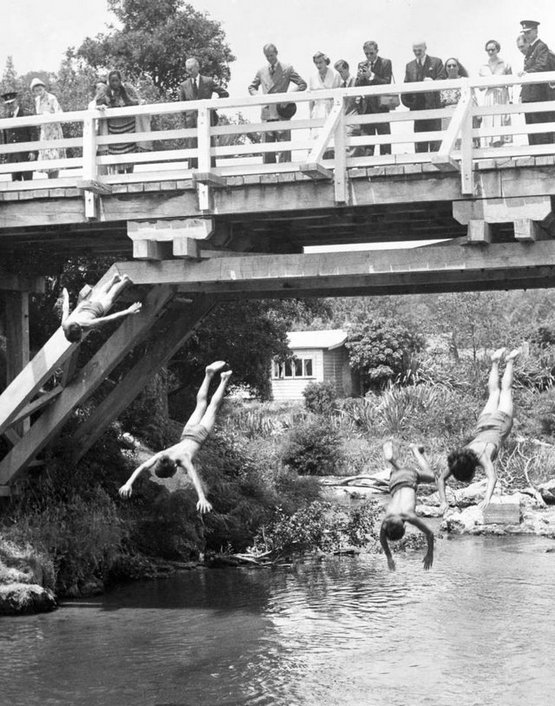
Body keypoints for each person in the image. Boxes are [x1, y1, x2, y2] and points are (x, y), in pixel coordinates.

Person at [119, 361, 232, 513]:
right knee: (200, 404)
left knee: (212, 407)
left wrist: (202, 498)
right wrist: (128, 483)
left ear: (172, 468)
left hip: (199, 435)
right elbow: (143, 466)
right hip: (187, 431)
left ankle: (224, 378)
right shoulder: (162, 455)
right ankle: (208, 375)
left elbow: (194, 478)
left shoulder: (183, 460)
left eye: (172, 474)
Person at [438, 347, 520, 514]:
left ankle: (510, 360)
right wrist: (443, 502)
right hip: (483, 423)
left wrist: (487, 499)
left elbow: (492, 478)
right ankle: (495, 361)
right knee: (493, 393)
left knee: (504, 391)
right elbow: (440, 478)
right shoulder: (459, 457)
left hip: (499, 424)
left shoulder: (482, 456)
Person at [379, 441, 435, 572]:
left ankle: (415, 450)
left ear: (404, 527)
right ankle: (391, 460)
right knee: (401, 474)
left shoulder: (409, 516)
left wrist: (430, 553)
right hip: (393, 481)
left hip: (409, 478)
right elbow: (382, 538)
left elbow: (430, 534)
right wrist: (389, 557)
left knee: (431, 476)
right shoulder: (387, 520)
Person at [248, 43, 307, 164]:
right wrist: (259, 98)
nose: (270, 58)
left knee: (283, 148)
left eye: (271, 55)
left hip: (281, 111)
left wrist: (288, 97)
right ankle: (268, 176)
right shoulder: (261, 71)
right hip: (267, 112)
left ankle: (286, 175)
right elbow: (251, 87)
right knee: (267, 149)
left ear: (276, 53)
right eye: (267, 56)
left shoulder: (287, 68)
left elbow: (302, 84)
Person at [178, 57, 229, 169]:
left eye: (191, 68)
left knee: (208, 146)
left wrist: (213, 106)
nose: (189, 71)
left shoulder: (208, 81)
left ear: (198, 67)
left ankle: (212, 172)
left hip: (207, 120)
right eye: (187, 69)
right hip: (191, 122)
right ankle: (192, 175)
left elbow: (224, 94)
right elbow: (182, 107)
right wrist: (184, 123)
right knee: (192, 150)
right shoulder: (184, 85)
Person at [61, 273, 142, 343]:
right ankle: (114, 279)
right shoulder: (65, 324)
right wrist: (66, 296)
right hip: (86, 305)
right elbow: (65, 308)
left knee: (111, 296)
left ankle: (125, 280)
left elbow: (108, 318)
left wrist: (128, 311)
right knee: (101, 293)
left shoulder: (87, 323)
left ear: (81, 330)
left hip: (98, 309)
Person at [401, 41, 444, 153]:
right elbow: (405, 86)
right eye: (415, 50)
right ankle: (421, 164)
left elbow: (442, 78)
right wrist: (409, 104)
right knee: (420, 142)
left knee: (435, 140)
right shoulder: (409, 66)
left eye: (419, 50)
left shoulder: (436, 62)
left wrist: (433, 82)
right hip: (417, 109)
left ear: (425, 48)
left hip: (433, 107)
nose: (417, 52)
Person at [519, 20, 554, 145]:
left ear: (536, 31)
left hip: (538, 94)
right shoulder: (530, 49)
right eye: (525, 33)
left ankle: (543, 155)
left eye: (528, 32)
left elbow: (542, 65)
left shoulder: (541, 46)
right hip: (530, 95)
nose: (526, 35)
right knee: (532, 128)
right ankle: (535, 155)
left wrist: (528, 73)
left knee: (541, 127)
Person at [355, 41, 394, 156]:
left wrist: (371, 76)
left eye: (371, 53)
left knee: (384, 139)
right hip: (367, 107)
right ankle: (368, 167)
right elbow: (357, 86)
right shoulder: (362, 65)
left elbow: (386, 82)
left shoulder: (386, 63)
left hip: (381, 105)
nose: (369, 56)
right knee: (367, 141)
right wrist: (361, 78)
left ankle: (386, 166)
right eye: (366, 54)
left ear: (377, 51)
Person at [104, 70, 141, 174]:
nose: (114, 83)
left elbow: (136, 100)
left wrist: (136, 102)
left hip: (128, 126)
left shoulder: (127, 90)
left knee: (129, 154)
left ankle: (130, 177)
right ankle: (121, 179)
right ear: (109, 81)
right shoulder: (106, 92)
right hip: (114, 129)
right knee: (117, 155)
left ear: (120, 80)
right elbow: (97, 103)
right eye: (112, 81)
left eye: (116, 80)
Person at [478, 40, 513, 148]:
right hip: (489, 96)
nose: (490, 52)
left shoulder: (505, 64)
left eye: (493, 49)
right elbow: (480, 87)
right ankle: (491, 149)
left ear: (497, 49)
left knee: (503, 120)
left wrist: (511, 99)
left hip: (502, 94)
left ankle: (504, 150)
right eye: (488, 50)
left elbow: (511, 83)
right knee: (489, 121)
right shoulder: (483, 67)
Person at [30, 77, 66, 179]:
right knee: (46, 156)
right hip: (45, 131)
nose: (39, 92)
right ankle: (50, 181)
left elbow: (60, 113)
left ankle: (54, 180)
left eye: (40, 89)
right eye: (36, 90)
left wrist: (49, 115)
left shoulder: (51, 98)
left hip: (54, 130)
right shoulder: (37, 100)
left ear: (43, 88)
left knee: (54, 155)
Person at [1, 90, 37, 181]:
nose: (10, 105)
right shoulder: (6, 117)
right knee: (15, 182)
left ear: (17, 101)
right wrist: (6, 155)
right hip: (13, 156)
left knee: (28, 181)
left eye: (12, 103)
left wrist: (33, 151)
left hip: (25, 154)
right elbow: (5, 137)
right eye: (8, 104)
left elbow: (33, 134)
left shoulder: (26, 114)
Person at [309, 52, 341, 144]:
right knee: (316, 137)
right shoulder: (312, 77)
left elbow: (338, 96)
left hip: (330, 108)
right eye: (316, 63)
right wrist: (310, 114)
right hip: (317, 109)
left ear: (325, 62)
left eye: (320, 62)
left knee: (330, 137)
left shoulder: (335, 74)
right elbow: (311, 99)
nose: (318, 65)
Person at [334, 59, 363, 158]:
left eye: (341, 71)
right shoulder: (340, 85)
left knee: (352, 140)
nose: (340, 74)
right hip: (344, 116)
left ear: (347, 69)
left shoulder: (356, 81)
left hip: (354, 115)